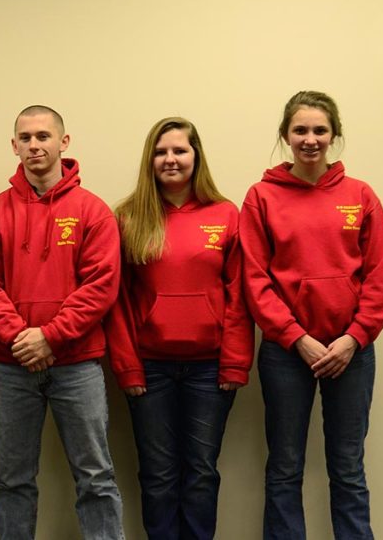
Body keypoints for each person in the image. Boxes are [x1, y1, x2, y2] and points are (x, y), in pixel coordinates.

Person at [240, 91, 383, 540]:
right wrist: (296, 338)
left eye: (319, 130)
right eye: (300, 130)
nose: (310, 139)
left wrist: (353, 339)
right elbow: (255, 280)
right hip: (288, 354)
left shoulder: (361, 195)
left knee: (347, 467)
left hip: (352, 352)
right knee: (285, 466)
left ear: (334, 135)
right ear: (286, 136)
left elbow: (378, 280)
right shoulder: (261, 197)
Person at [0, 105, 125, 540]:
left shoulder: (92, 211)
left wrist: (50, 337)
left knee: (96, 478)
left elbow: (101, 285)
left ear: (63, 142)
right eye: (25, 138)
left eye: (43, 136)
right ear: (14, 146)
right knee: (13, 480)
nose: (34, 145)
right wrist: (22, 339)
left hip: (77, 366)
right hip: (12, 367)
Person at [106, 117, 253, 540]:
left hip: (210, 370)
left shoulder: (226, 214)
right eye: (161, 151)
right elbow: (115, 300)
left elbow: (240, 295)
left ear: (196, 156)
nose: (170, 159)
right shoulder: (130, 217)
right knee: (157, 474)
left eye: (179, 150)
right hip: (150, 369)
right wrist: (127, 367)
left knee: (202, 472)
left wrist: (235, 364)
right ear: (150, 160)